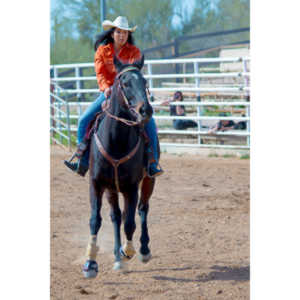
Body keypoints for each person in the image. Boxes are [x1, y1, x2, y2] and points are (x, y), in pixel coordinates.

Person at [64, 16, 163, 178]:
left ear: (128, 34)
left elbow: (133, 74)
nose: (121, 35)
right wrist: (105, 89)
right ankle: (82, 160)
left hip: (128, 95)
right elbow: (100, 74)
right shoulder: (102, 51)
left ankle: (153, 162)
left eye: (124, 32)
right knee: (84, 120)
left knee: (149, 122)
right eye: (118, 32)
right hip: (109, 93)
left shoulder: (134, 52)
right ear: (112, 33)